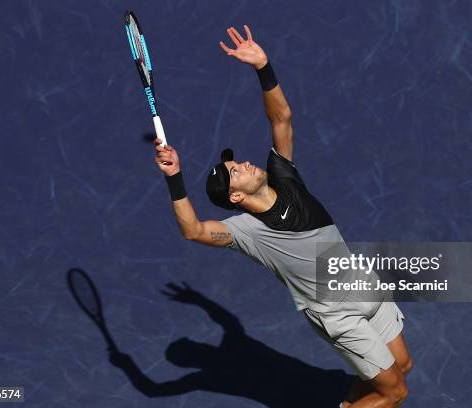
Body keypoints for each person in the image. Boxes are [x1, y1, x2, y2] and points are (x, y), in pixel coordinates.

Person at [154, 25, 412, 408]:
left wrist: (263, 67)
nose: (241, 163)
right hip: (335, 313)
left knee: (402, 366)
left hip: (360, 282)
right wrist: (175, 178)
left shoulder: (285, 176)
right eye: (233, 173)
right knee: (395, 393)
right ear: (236, 196)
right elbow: (193, 230)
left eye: (235, 162)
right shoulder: (246, 231)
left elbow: (282, 119)